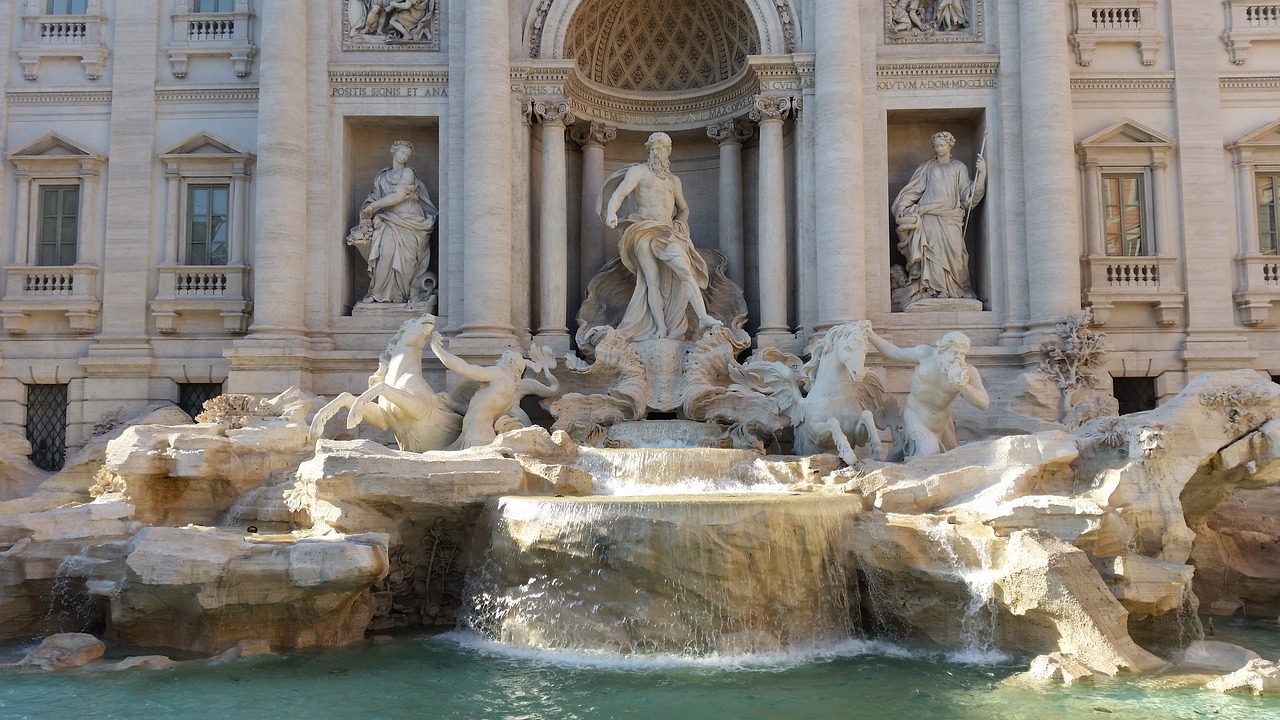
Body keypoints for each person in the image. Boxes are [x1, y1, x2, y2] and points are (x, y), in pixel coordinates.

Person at [598, 132, 721, 341]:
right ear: (648, 151)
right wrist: (611, 213)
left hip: (667, 232)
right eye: (652, 148)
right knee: (651, 280)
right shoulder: (639, 172)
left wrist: (680, 222)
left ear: (668, 151)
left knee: (684, 270)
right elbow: (618, 195)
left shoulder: (674, 181)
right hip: (643, 229)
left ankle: (703, 317)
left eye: (660, 148)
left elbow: (683, 208)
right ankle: (660, 328)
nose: (656, 152)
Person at [865, 328, 989, 459]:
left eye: (962, 354)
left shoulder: (968, 372)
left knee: (950, 460)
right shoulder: (924, 355)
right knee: (930, 452)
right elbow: (895, 353)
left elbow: (984, 403)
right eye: (954, 352)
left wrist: (963, 386)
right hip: (915, 417)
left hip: (943, 424)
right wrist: (871, 335)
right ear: (942, 350)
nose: (958, 358)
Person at [892, 131, 986, 302]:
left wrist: (982, 175)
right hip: (929, 216)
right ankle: (935, 289)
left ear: (950, 146)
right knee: (932, 254)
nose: (939, 149)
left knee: (956, 254)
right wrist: (903, 206)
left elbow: (968, 195)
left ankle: (956, 288)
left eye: (942, 145)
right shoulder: (928, 167)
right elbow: (914, 190)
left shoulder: (959, 167)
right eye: (936, 146)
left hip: (951, 217)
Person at [349, 140, 436, 304]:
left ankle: (400, 295)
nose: (404, 156)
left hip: (410, 221)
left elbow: (399, 196)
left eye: (407, 155)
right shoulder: (382, 176)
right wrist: (368, 208)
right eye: (402, 152)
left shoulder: (408, 173)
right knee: (386, 253)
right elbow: (374, 197)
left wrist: (374, 206)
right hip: (388, 220)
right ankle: (378, 293)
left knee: (406, 260)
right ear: (393, 151)